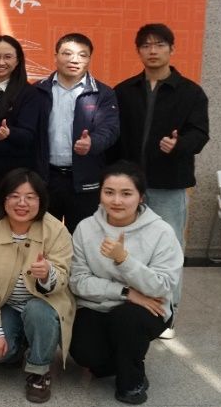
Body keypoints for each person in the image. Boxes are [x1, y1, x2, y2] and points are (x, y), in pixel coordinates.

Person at [112, 23, 209, 338]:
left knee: (169, 248)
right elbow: (114, 136)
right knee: (128, 246)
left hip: (168, 184)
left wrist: (178, 145)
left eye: (159, 45)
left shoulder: (191, 92)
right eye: (146, 45)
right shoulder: (124, 91)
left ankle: (167, 313)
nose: (152, 51)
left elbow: (200, 134)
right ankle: (129, 305)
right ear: (138, 50)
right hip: (128, 187)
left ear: (171, 49)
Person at [69, 161, 183, 405]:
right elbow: (78, 281)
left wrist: (124, 260)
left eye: (126, 193)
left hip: (146, 309)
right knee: (86, 355)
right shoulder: (85, 228)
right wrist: (125, 292)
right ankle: (120, 356)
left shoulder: (162, 232)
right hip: (98, 305)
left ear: (141, 197)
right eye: (109, 192)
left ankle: (132, 381)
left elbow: (163, 286)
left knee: (127, 320)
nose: (116, 201)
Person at [0, 168, 74, 404]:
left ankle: (39, 370)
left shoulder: (56, 229)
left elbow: (63, 276)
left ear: (41, 200)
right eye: (14, 196)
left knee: (38, 312)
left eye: (30, 197)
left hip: (43, 303)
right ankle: (21, 348)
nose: (22, 203)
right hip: (7, 304)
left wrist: (47, 274)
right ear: (3, 199)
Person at [35, 33, 119, 234]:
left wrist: (92, 142)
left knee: (84, 238)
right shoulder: (37, 90)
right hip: (46, 179)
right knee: (44, 238)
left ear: (89, 59)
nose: (74, 60)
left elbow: (110, 129)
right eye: (67, 53)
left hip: (84, 179)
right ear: (56, 56)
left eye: (82, 55)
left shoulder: (103, 93)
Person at [0, 35, 45, 227]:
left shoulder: (29, 94)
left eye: (8, 57)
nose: (1, 62)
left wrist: (9, 133)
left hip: (14, 178)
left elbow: (29, 135)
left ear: (18, 61)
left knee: (15, 229)